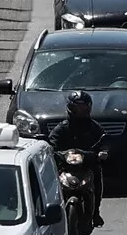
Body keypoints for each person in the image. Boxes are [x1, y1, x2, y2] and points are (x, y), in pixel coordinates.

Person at [46, 90, 107, 227]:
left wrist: (102, 152)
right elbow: (51, 143)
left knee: (97, 173)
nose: (80, 111)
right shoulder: (61, 128)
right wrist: (54, 152)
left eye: (83, 108)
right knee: (50, 180)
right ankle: (50, 212)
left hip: (87, 165)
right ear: (70, 108)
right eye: (76, 108)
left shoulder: (94, 127)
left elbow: (104, 141)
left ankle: (95, 212)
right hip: (66, 166)